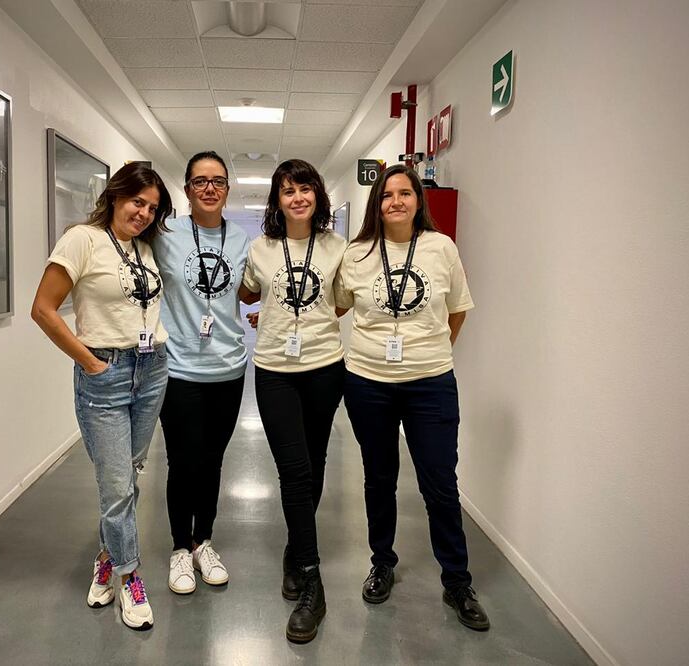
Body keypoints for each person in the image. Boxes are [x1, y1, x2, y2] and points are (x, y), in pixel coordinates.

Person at [334, 164, 490, 631]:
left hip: (431, 384)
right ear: (376, 204)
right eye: (387, 195)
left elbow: (457, 310)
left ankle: (457, 580)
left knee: (439, 482)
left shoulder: (441, 248)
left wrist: (430, 354)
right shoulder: (358, 253)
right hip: (367, 382)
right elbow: (337, 305)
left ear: (419, 201)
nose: (396, 201)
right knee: (378, 478)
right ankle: (382, 562)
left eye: (405, 193)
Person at [31, 162, 172, 631]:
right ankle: (131, 577)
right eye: (137, 202)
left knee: (127, 478)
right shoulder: (81, 239)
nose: (144, 213)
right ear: (115, 196)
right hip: (106, 374)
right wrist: (90, 361)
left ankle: (107, 556)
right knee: (115, 486)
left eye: (152, 208)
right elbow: (43, 309)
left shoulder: (144, 248)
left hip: (152, 369)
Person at [238, 159, 347, 644]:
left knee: (315, 463)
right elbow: (245, 293)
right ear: (277, 201)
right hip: (275, 372)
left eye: (305, 188)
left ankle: (292, 550)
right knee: (294, 469)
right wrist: (275, 315)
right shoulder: (261, 247)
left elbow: (340, 301)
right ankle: (312, 577)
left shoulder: (338, 247)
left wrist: (304, 319)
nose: (297, 197)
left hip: (325, 368)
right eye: (287, 190)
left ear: (317, 196)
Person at [152, 151, 251, 594]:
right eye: (199, 181)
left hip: (229, 370)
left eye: (217, 181)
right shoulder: (164, 233)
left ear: (227, 189)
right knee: (181, 462)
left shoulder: (241, 239)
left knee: (212, 461)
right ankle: (178, 548)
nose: (209, 188)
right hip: (179, 370)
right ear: (187, 188)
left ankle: (202, 541)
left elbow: (251, 291)